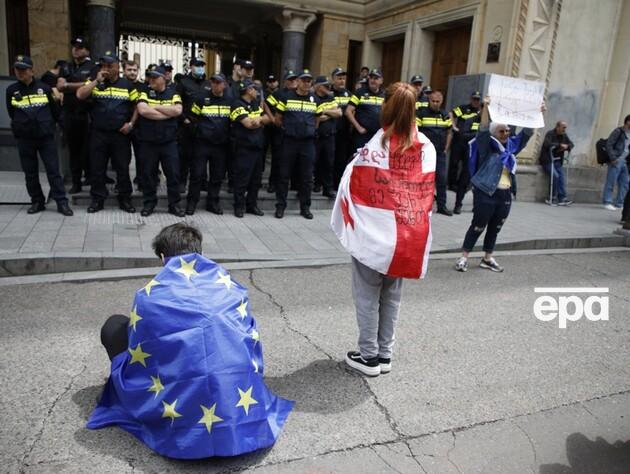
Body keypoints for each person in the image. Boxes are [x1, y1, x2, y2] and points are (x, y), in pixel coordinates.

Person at [91, 222, 293, 459]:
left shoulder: (149, 296)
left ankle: (129, 394)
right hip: (240, 408)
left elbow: (142, 348)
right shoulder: (231, 289)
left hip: (182, 424)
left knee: (114, 326)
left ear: (163, 257)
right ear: (201, 253)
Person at [333, 82, 436, 376]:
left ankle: (368, 356)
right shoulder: (427, 146)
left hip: (374, 237)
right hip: (407, 235)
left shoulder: (374, 146)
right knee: (392, 294)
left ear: (385, 108)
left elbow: (351, 185)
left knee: (367, 294)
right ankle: (385, 354)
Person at [455, 96, 542, 273]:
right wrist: (486, 107)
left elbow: (526, 134)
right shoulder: (487, 146)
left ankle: (487, 258)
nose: (506, 134)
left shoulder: (511, 148)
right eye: (502, 131)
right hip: (486, 192)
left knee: (496, 227)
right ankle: (464, 257)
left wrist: (536, 113)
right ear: (495, 133)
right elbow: (483, 129)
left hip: (505, 193)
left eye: (508, 131)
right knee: (478, 226)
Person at [5, 55, 73, 216]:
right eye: (17, 70)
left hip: (45, 138)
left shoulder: (45, 88)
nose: (20, 73)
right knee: (30, 172)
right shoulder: (11, 90)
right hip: (25, 139)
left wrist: (60, 130)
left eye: (23, 70)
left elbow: (56, 112)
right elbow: (12, 113)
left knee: (53, 171)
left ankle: (61, 203)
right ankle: (37, 201)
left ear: (31, 70)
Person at [76, 51, 137, 213]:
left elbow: (137, 106)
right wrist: (96, 81)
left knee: (122, 167)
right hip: (99, 133)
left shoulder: (127, 85)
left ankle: (125, 198)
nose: (106, 69)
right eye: (103, 65)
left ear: (117, 67)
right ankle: (97, 199)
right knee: (97, 168)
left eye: (109, 66)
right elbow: (80, 95)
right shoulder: (94, 82)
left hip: (120, 134)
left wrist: (131, 124)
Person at [135, 66, 184, 217]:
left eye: (155, 77)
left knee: (173, 174)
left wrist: (155, 106)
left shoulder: (173, 93)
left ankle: (174, 204)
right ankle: (149, 203)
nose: (152, 80)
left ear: (164, 79)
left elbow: (177, 111)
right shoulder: (144, 92)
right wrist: (166, 112)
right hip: (148, 142)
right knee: (148, 174)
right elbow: (143, 110)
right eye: (150, 77)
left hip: (168, 142)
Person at [274, 69, 320, 219]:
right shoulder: (286, 97)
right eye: (304, 80)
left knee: (307, 177)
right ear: (298, 82)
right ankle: (280, 206)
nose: (307, 83)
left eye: (309, 81)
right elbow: (278, 118)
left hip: (307, 143)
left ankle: (305, 207)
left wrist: (310, 130)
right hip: (289, 142)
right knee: (283, 175)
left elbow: (317, 120)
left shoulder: (314, 99)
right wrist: (288, 129)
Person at [186, 73, 231, 215]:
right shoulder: (201, 99)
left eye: (219, 83)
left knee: (217, 176)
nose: (216, 85)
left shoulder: (230, 100)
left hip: (221, 145)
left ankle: (212, 203)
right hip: (202, 144)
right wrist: (199, 132)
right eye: (213, 82)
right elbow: (192, 117)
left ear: (224, 84)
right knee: (197, 174)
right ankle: (192, 203)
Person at [56, 36, 93, 194]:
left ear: (87, 50)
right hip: (70, 114)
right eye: (74, 47)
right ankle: (76, 182)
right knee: (74, 150)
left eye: (80, 47)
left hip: (87, 114)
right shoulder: (66, 66)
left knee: (88, 150)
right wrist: (79, 85)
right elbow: (59, 86)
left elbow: (90, 86)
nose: (75, 50)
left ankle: (91, 178)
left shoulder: (93, 67)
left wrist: (68, 85)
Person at [230, 79, 271, 217]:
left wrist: (258, 120)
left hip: (257, 147)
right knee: (242, 179)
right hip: (244, 148)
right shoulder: (236, 105)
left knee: (256, 180)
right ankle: (239, 206)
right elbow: (248, 124)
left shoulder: (254, 104)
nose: (257, 91)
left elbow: (267, 119)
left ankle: (251, 205)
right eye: (254, 89)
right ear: (248, 90)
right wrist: (259, 120)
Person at [176, 58, 210, 194]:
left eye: (202, 66)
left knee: (201, 155)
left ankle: (202, 181)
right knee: (184, 156)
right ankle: (182, 182)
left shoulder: (208, 84)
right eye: (197, 66)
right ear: (191, 67)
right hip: (186, 125)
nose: (200, 68)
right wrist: (184, 120)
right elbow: (177, 102)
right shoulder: (183, 83)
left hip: (204, 126)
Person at [417, 90, 453, 215]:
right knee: (422, 179)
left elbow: (449, 131)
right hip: (424, 153)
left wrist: (446, 147)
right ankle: (419, 204)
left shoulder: (445, 114)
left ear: (441, 101)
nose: (436, 104)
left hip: (439, 152)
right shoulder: (421, 113)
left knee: (442, 179)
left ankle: (442, 206)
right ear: (429, 100)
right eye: (433, 101)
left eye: (438, 101)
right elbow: (416, 132)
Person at [264, 70, 298, 193]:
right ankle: (273, 183)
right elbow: (266, 104)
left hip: (294, 132)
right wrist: (272, 119)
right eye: (290, 80)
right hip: (279, 131)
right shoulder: (279, 93)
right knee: (277, 159)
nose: (293, 82)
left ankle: (294, 184)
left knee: (293, 159)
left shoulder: (300, 93)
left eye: (294, 79)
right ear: (285, 82)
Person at [450, 91, 482, 213]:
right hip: (460, 142)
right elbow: (451, 114)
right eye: (474, 99)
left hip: (474, 146)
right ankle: (456, 198)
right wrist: (454, 127)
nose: (476, 101)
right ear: (471, 99)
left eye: (478, 99)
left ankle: (473, 204)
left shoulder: (482, 112)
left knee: (468, 176)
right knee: (454, 165)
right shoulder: (464, 108)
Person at [313, 75, 342, 198]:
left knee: (328, 163)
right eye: (325, 86)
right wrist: (329, 113)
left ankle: (327, 189)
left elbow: (339, 112)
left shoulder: (331, 97)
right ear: (319, 87)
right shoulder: (312, 98)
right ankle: (313, 185)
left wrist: (325, 112)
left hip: (329, 136)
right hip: (316, 136)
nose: (328, 87)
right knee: (313, 162)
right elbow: (316, 117)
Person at [346, 68, 385, 153]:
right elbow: (348, 111)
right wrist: (358, 127)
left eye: (376, 78)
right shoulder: (359, 92)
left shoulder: (384, 95)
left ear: (381, 81)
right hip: (362, 136)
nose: (373, 80)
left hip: (377, 136)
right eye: (371, 78)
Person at [538, 120, 574, 206]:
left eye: (565, 128)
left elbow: (571, 144)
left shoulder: (564, 135)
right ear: (558, 127)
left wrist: (567, 147)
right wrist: (559, 145)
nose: (564, 129)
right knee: (555, 175)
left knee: (561, 177)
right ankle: (552, 197)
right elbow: (547, 144)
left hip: (557, 161)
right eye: (563, 127)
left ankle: (562, 198)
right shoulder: (550, 134)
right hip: (547, 160)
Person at [602, 115, 630, 211]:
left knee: (625, 183)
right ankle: (607, 201)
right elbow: (609, 144)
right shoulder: (618, 131)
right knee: (611, 181)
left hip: (626, 162)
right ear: (628, 122)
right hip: (616, 161)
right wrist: (613, 158)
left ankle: (619, 203)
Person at [330, 67, 351, 188]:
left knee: (341, 158)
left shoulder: (348, 94)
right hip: (330, 132)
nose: (342, 81)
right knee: (328, 158)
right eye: (339, 78)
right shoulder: (328, 93)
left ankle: (336, 183)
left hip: (344, 133)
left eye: (343, 78)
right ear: (333, 79)